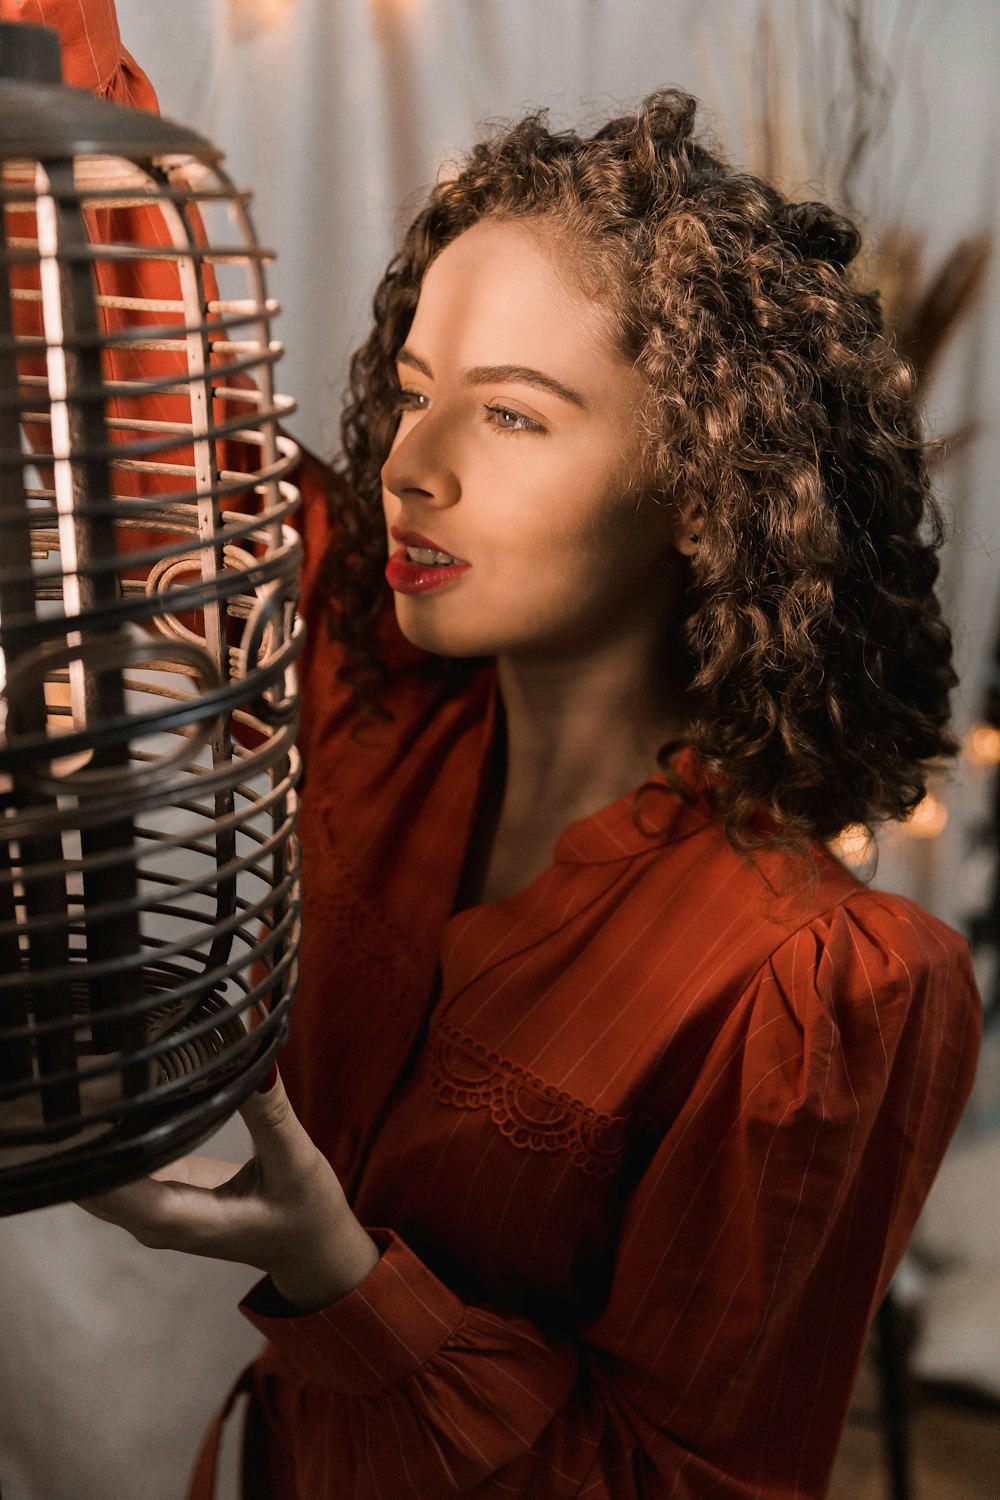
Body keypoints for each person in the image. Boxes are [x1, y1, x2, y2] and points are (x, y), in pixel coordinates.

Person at [5, 3, 982, 1497]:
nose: (412, 464)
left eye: (513, 417)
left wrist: (347, 1279)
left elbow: (684, 1483)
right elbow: (140, 339)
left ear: (705, 484)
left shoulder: (818, 989)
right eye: (411, 392)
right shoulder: (367, 701)